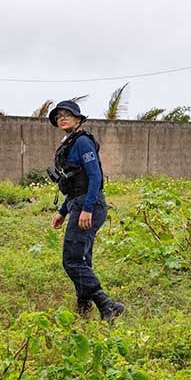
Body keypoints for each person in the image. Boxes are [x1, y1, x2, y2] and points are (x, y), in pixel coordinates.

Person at [47, 100, 124, 322]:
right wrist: (63, 211)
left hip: (89, 206)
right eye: (58, 116)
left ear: (79, 119)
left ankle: (107, 304)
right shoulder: (69, 143)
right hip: (77, 203)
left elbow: (95, 177)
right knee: (81, 257)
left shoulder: (82, 142)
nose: (62, 118)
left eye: (67, 114)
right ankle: (83, 306)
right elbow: (74, 185)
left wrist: (87, 209)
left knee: (71, 260)